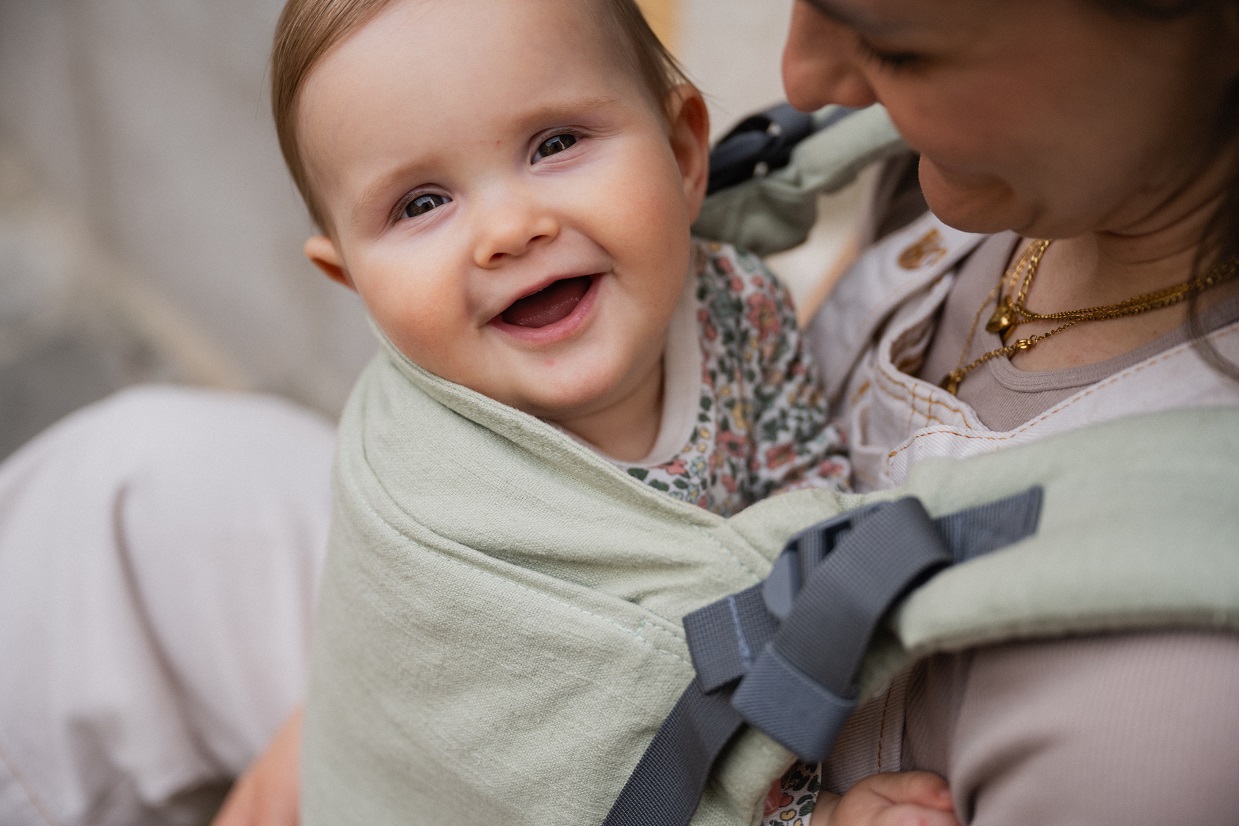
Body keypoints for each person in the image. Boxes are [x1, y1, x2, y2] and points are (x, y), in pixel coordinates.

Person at [4, 0, 1239, 823]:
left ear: (682, 148)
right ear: (348, 280)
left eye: (554, 144)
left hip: (709, 771)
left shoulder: (1162, 715)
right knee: (119, 484)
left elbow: (732, 636)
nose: (508, 227)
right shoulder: (941, 190)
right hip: (470, 724)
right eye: (420, 204)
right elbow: (464, 657)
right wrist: (367, 698)